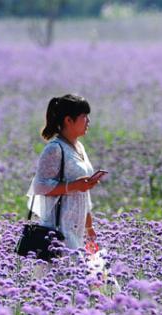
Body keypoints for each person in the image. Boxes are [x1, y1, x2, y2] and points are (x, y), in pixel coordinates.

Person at [26, 94, 105, 257]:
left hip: (77, 229)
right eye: (84, 116)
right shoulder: (54, 149)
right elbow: (39, 187)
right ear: (68, 120)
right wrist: (74, 186)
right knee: (73, 278)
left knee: (89, 277)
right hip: (59, 231)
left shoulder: (79, 147)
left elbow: (84, 195)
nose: (88, 121)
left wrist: (89, 228)